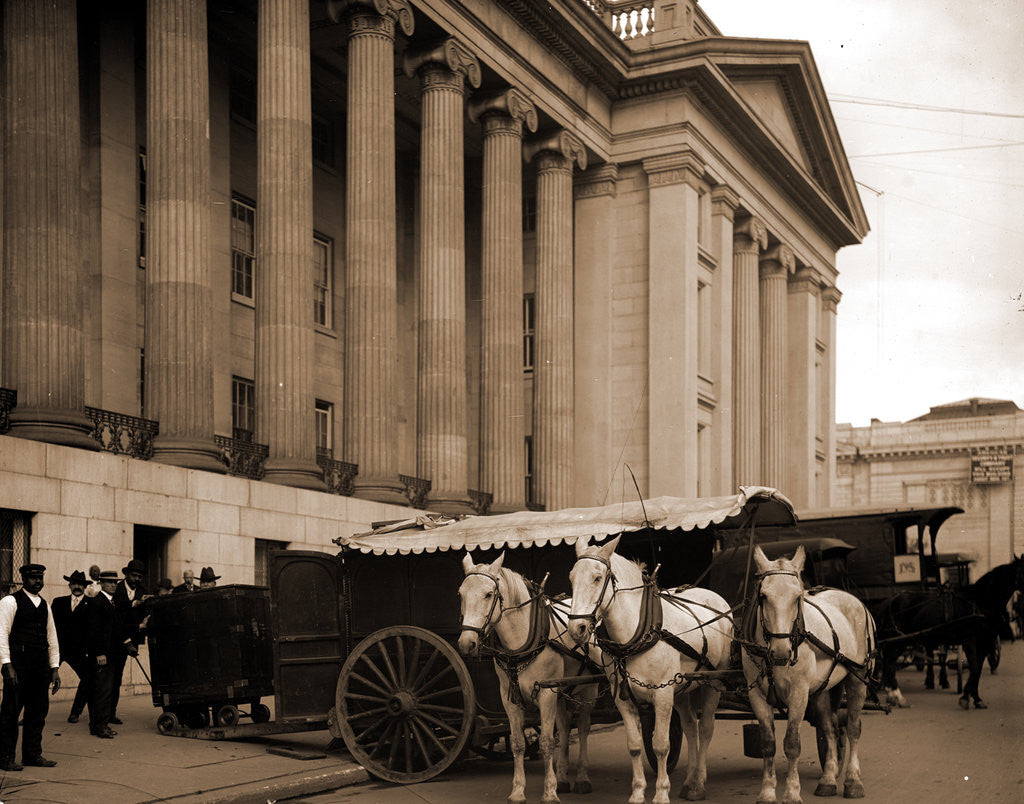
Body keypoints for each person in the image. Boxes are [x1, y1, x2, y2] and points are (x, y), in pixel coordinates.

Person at [0, 564, 61, 770]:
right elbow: (1, 635)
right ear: (24, 579)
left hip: (40, 665)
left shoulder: (45, 605)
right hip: (19, 664)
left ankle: (33, 755)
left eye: (40, 578)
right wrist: (6, 664)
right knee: (10, 712)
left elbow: (52, 637)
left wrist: (54, 667)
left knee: (37, 712)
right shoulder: (10, 601)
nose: (38, 582)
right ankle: (5, 757)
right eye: (33, 578)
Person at [87, 570, 133, 739]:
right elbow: (93, 631)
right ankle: (101, 726)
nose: (114, 585)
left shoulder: (112, 602)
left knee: (106, 689)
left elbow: (117, 628)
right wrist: (99, 652)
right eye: (109, 582)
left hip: (113, 653)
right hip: (103, 655)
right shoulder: (97, 602)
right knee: (103, 691)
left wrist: (128, 643)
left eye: (115, 582)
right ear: (101, 583)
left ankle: (98, 725)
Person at [109, 559, 148, 725]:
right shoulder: (115, 590)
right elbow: (116, 611)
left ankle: (111, 713)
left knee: (117, 678)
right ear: (126, 575)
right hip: (112, 640)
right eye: (134, 576)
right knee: (106, 679)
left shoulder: (142, 591)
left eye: (140, 576)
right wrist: (134, 603)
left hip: (129, 640)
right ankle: (100, 712)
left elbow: (144, 614)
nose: (137, 579)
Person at [51, 570, 91, 724]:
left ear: (85, 586)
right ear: (69, 585)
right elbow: (51, 627)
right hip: (58, 650)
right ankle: (30, 714)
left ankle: (75, 712)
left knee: (88, 679)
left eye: (80, 584)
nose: (77, 587)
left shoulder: (91, 604)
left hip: (79, 652)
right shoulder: (58, 602)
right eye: (74, 583)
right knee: (41, 680)